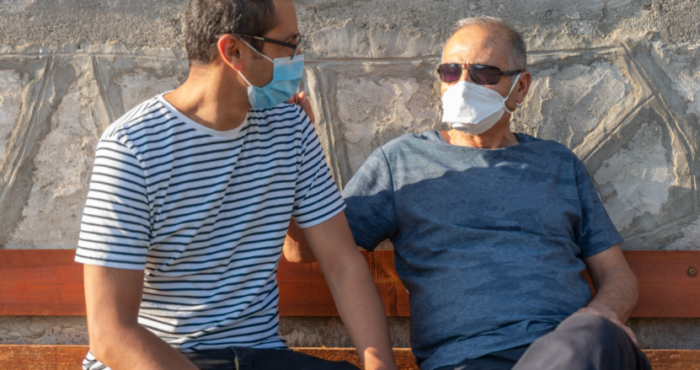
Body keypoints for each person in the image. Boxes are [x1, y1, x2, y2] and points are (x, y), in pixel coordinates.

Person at [285, 16, 652, 370]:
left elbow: (616, 272)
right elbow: (302, 250)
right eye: (451, 72)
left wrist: (602, 316)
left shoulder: (558, 163)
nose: (463, 84)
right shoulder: (401, 162)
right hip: (467, 359)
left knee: (594, 338)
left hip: (574, 349)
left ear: (520, 88)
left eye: (484, 74)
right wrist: (295, 151)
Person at [74, 1, 398, 369]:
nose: (299, 56)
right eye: (289, 44)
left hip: (260, 358)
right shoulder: (133, 147)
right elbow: (110, 335)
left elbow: (342, 263)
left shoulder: (289, 126)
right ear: (233, 51)